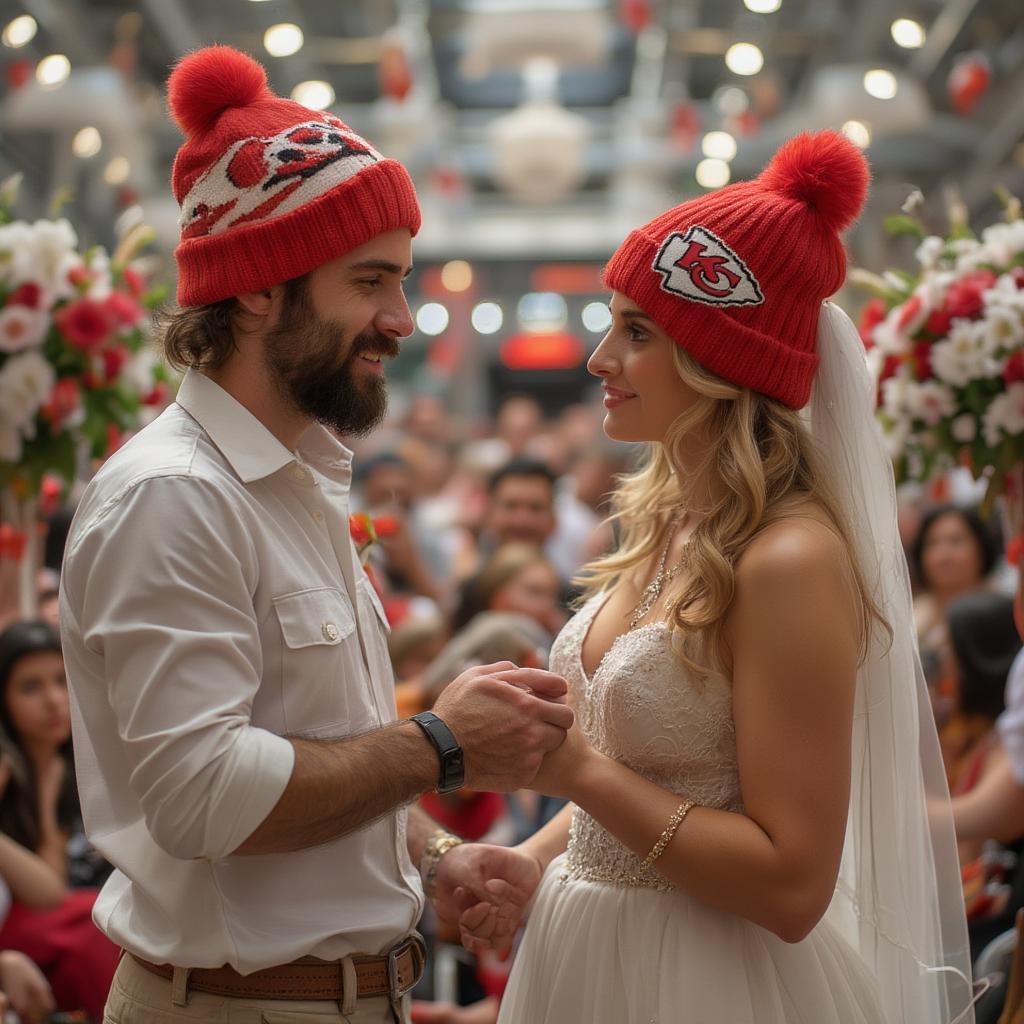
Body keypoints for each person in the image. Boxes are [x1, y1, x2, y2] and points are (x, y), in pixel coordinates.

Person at [58, 46, 572, 1024]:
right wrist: (441, 744)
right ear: (257, 287)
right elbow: (205, 795)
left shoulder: (296, 481)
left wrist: (431, 852)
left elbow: (325, 754)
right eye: (370, 281)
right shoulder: (174, 496)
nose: (402, 318)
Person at [442, 132, 975, 1023]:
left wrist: (573, 770)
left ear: (721, 361)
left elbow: (793, 884)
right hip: (585, 955)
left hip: (710, 980)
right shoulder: (663, 519)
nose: (597, 360)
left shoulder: (790, 557)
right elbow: (665, 778)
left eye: (636, 332)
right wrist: (533, 858)